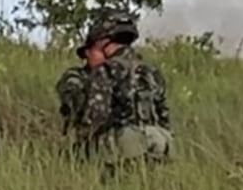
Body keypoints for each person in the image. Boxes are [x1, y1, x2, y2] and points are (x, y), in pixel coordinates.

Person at [78, 9, 173, 177]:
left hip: (127, 146)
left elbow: (95, 117)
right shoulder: (151, 71)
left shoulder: (107, 70)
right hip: (161, 141)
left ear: (103, 41)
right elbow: (164, 115)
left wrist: (80, 148)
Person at [55, 34, 105, 154]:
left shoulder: (116, 76)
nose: (105, 56)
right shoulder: (75, 75)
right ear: (87, 53)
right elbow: (73, 99)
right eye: (100, 51)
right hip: (82, 143)